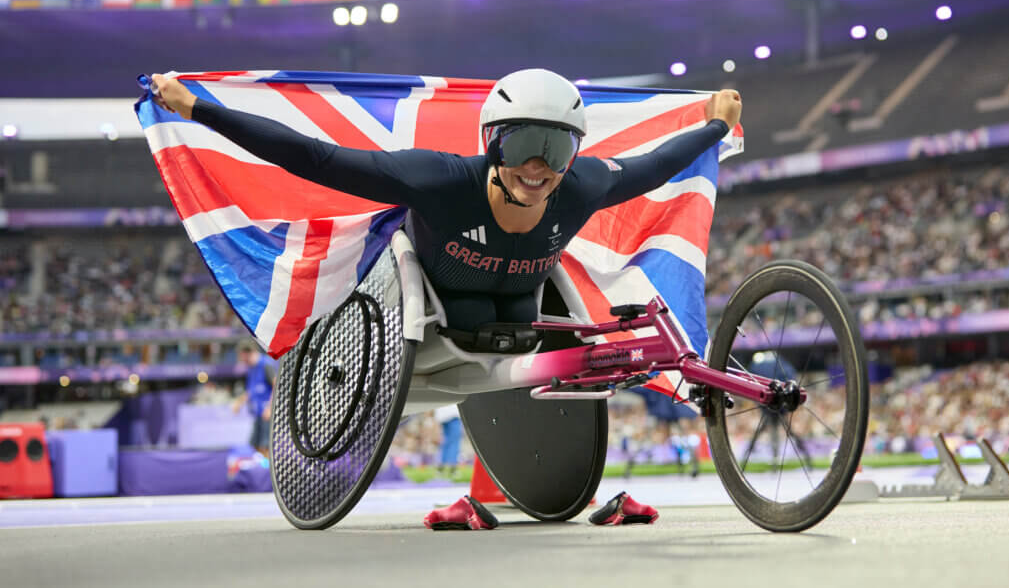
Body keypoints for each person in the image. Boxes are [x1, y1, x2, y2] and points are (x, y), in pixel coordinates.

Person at [152, 68, 742, 527]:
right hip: (432, 316)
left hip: (522, 316)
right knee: (475, 313)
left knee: (529, 318)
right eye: (522, 147)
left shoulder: (584, 185)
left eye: (556, 150)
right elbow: (314, 158)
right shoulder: (436, 180)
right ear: (492, 144)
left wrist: (715, 126)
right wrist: (198, 109)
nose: (537, 168)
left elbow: (656, 164)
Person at [232, 338, 276, 458]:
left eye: (242, 356)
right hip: (258, 414)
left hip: (267, 414)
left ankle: (267, 473)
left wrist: (270, 407)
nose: (241, 359)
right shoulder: (251, 368)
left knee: (266, 446)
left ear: (247, 353)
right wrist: (239, 403)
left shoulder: (266, 364)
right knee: (254, 444)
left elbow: (276, 385)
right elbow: (251, 390)